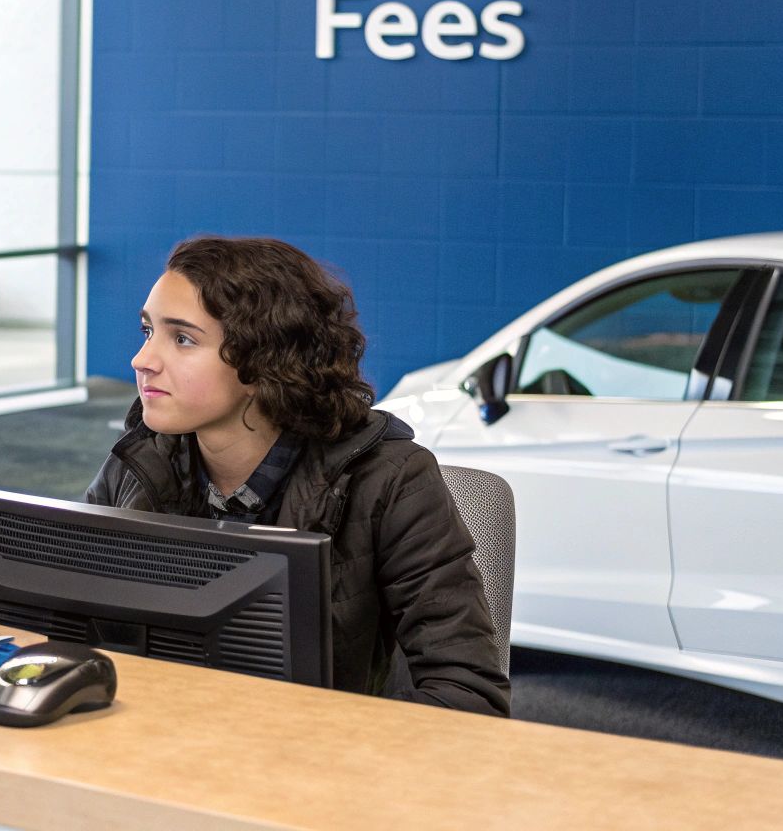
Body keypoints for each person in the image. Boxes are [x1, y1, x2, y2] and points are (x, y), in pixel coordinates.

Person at [85, 236, 510, 716]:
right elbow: (71, 630)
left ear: (263, 360)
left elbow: (469, 696)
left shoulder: (391, 481)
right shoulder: (138, 462)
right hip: (162, 746)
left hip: (321, 762)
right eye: (148, 332)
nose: (143, 360)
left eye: (182, 338)